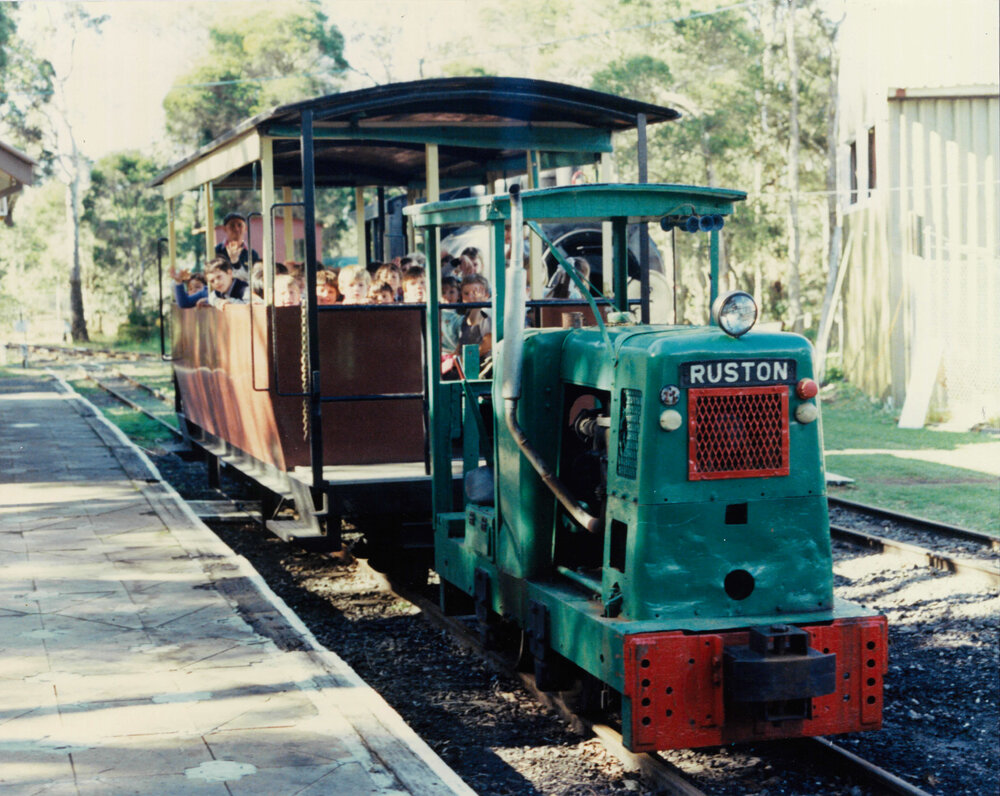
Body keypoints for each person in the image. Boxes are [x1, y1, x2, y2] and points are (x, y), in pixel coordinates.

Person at [215, 213, 261, 279]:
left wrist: (235, 262)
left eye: (240, 225)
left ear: (246, 228)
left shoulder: (252, 254)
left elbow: (255, 278)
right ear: (224, 229)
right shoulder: (216, 251)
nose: (236, 229)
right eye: (232, 225)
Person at [457, 274, 492, 359]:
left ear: (486, 295)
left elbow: (487, 344)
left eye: (475, 293)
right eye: (466, 293)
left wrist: (467, 359)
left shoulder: (486, 312)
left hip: (481, 363)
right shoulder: (467, 313)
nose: (470, 297)